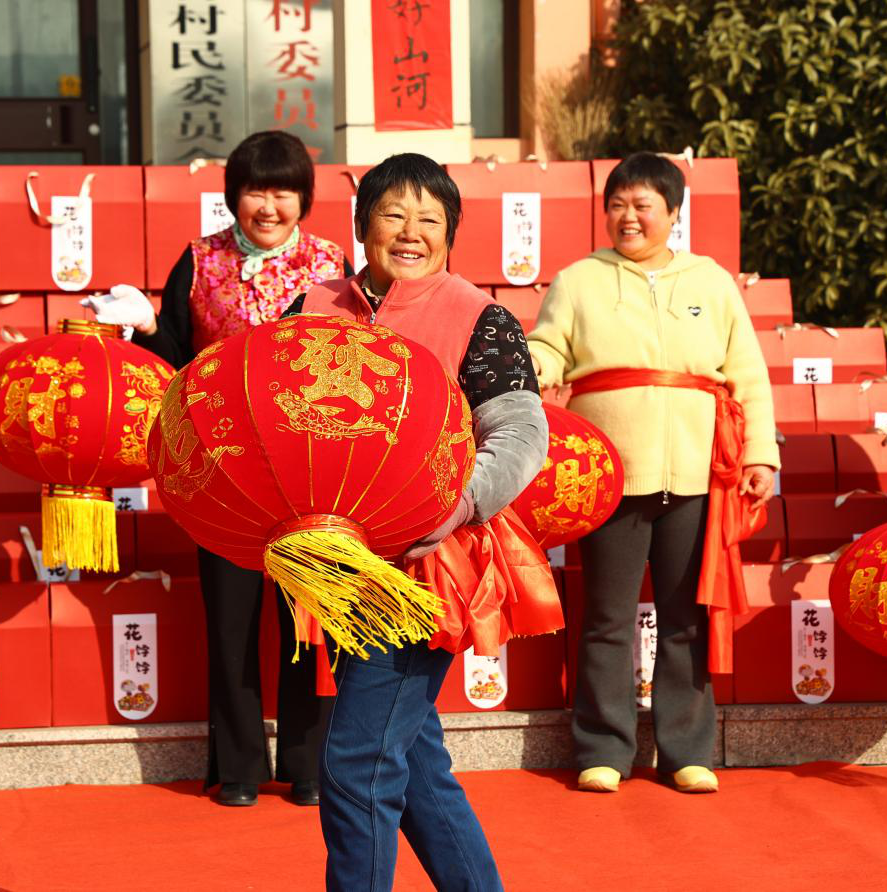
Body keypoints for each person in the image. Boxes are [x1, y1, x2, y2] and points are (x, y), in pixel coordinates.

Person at [282, 152, 556, 891]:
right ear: (361, 223)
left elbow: (523, 437)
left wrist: (449, 504)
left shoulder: (479, 316)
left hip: (425, 564)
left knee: (355, 766)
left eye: (429, 220)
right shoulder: (311, 307)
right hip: (339, 568)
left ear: (450, 234)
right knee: (416, 765)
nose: (410, 232)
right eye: (393, 214)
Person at [85, 130, 349, 807]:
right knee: (230, 622)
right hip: (221, 474)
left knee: (307, 622)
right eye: (256, 190)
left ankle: (308, 765)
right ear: (234, 195)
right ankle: (236, 768)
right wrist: (145, 327)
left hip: (308, 476)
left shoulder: (331, 266)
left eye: (283, 191)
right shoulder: (199, 262)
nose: (269, 205)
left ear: (304, 199)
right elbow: (172, 358)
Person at [527, 151, 778, 795]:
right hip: (609, 475)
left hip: (697, 473)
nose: (628, 216)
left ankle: (686, 750)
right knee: (607, 617)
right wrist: (533, 367)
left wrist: (759, 456)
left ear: (673, 213)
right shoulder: (578, 280)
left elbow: (746, 372)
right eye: (617, 204)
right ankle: (603, 749)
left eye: (643, 205)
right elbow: (548, 346)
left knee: (685, 616)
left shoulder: (712, 282)